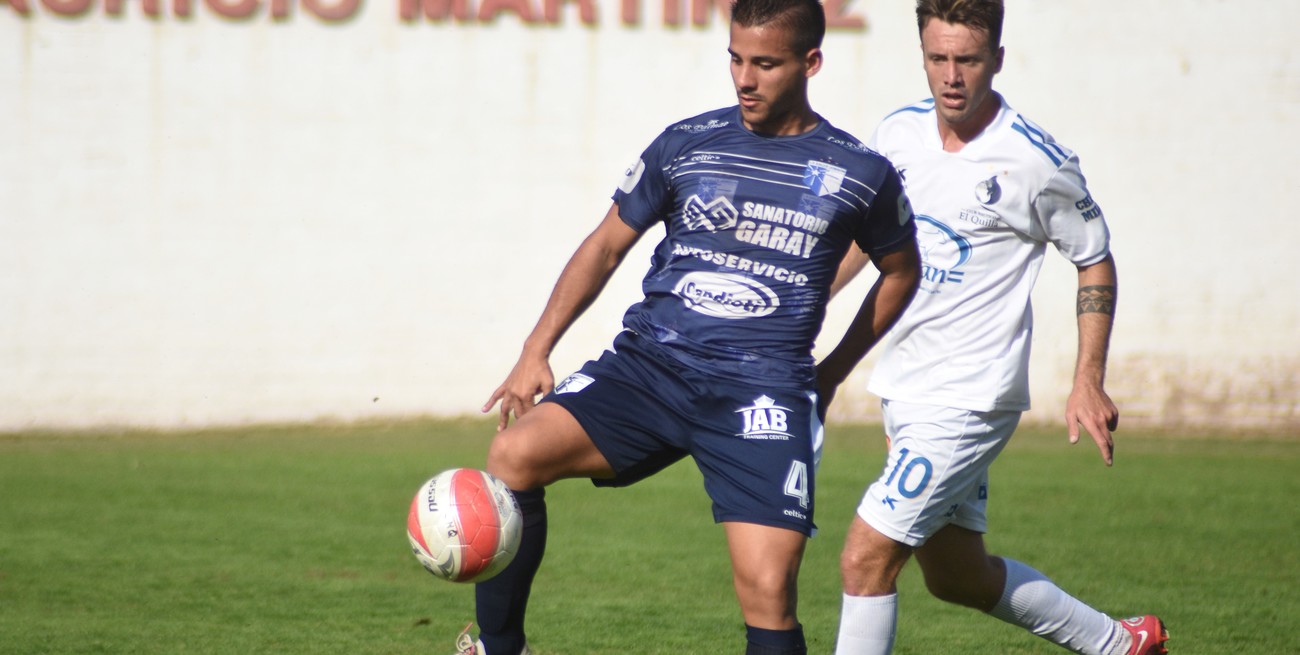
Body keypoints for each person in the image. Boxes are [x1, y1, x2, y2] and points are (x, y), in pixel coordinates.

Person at [455, 0, 922, 653]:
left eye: (765, 63)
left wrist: (835, 368)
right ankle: (499, 648)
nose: (745, 79)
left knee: (768, 589)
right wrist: (536, 350)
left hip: (761, 395)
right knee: (513, 454)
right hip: (651, 369)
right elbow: (603, 247)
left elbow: (902, 269)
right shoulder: (687, 143)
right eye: (736, 58)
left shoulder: (860, 173)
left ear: (811, 62)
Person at [829, 1, 1168, 654]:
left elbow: (1094, 260)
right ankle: (1122, 644)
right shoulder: (897, 134)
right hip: (907, 387)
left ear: (998, 61)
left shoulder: (1036, 161)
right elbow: (869, 239)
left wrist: (1087, 379)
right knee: (958, 576)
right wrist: (809, 298)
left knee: (864, 557)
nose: (951, 75)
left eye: (968, 60)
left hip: (969, 399)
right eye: (938, 59)